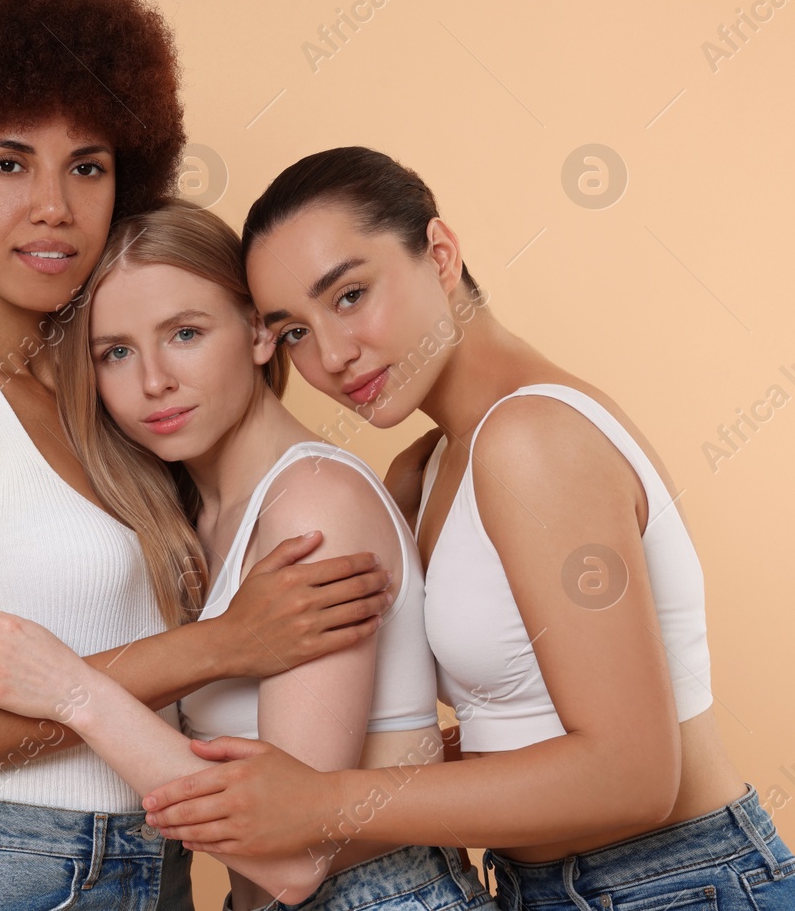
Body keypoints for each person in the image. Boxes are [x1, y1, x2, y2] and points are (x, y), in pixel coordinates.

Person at [0, 0, 395, 910]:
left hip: (157, 851)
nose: (53, 205)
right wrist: (225, 643)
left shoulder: (123, 390)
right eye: (9, 163)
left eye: (87, 166)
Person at [137, 147, 795, 911]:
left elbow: (635, 775)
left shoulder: (532, 436)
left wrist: (321, 801)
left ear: (441, 255)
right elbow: (534, 718)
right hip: (545, 887)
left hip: (676, 885)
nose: (333, 356)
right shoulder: (429, 468)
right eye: (293, 333)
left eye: (350, 294)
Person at [0, 203, 492, 911]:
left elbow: (295, 856)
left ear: (256, 332)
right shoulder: (193, 516)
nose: (153, 380)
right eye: (115, 351)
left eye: (184, 333)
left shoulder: (311, 507)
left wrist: (74, 690)